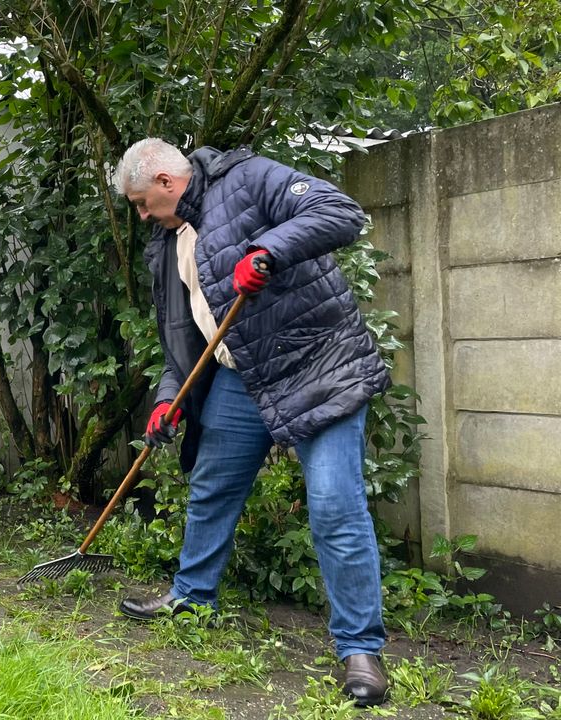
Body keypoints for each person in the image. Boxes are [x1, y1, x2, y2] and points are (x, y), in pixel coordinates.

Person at [109, 138, 391, 706]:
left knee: (335, 504)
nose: (141, 215)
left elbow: (340, 212)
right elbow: (182, 342)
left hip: (319, 365)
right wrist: (170, 399)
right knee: (212, 486)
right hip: (243, 377)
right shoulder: (167, 246)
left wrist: (267, 251)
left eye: (142, 202)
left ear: (166, 182)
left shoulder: (249, 179)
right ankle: (192, 596)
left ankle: (360, 648)